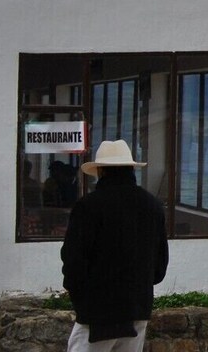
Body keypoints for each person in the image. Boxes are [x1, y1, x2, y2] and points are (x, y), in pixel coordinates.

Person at [60, 140, 168, 352]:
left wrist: (79, 296)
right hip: (137, 308)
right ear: (130, 168)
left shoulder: (88, 206)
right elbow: (159, 267)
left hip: (96, 313)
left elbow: (73, 261)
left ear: (100, 171)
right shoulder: (152, 206)